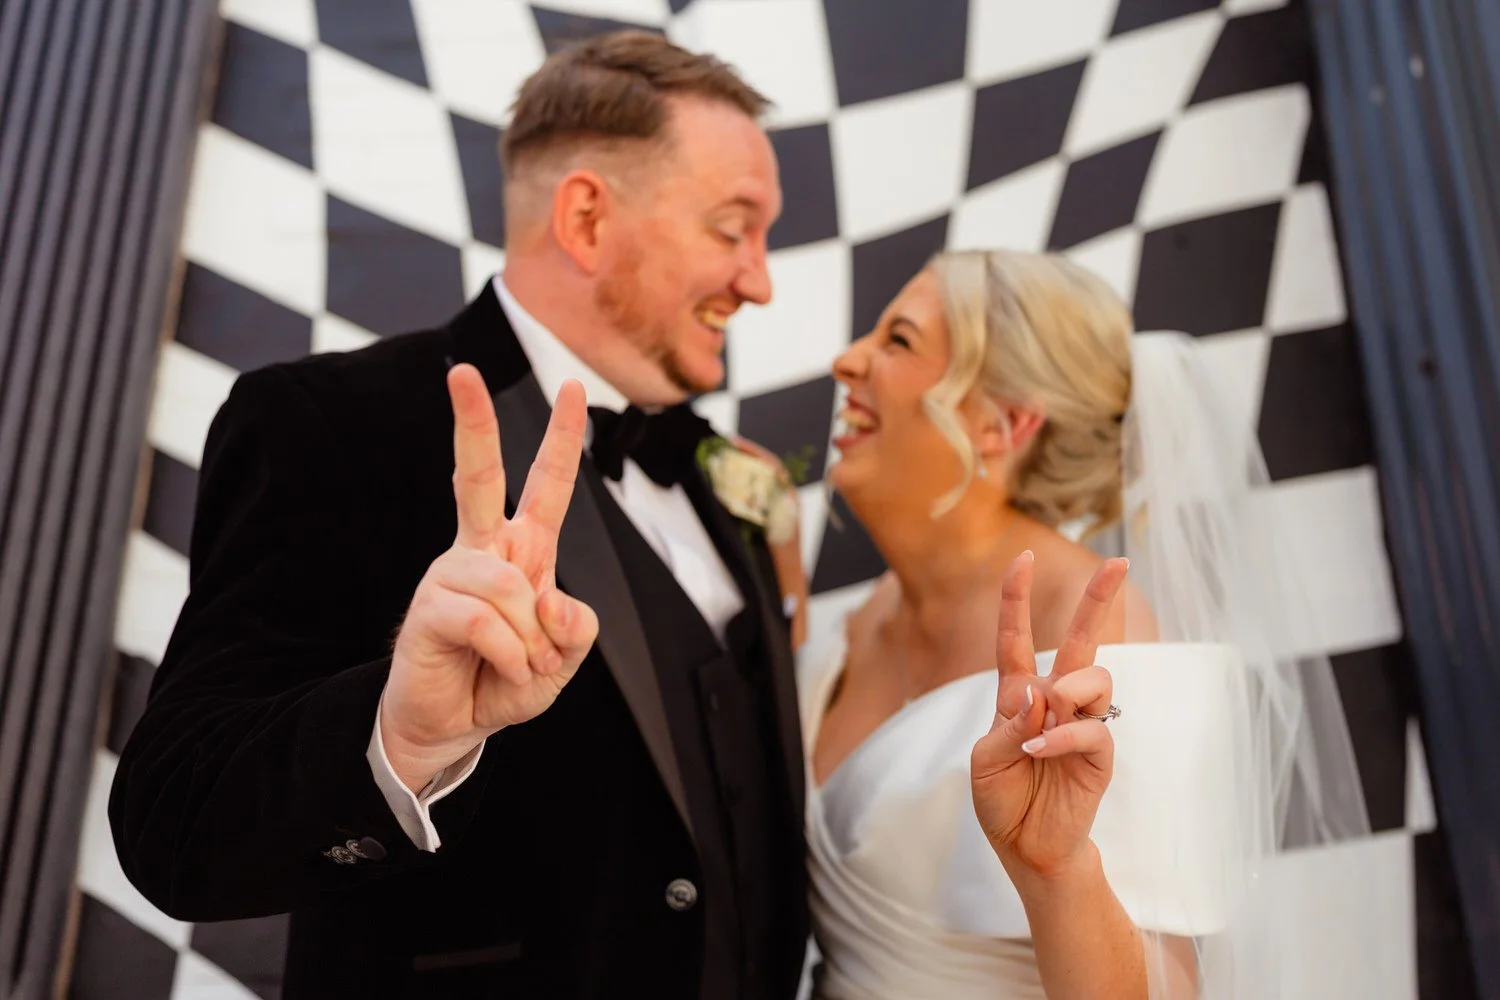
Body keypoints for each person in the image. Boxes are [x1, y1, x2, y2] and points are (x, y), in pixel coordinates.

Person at [110, 32, 813, 999]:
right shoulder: (331, 425)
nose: (760, 280)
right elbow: (177, 826)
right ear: (586, 217)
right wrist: (400, 734)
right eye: (734, 228)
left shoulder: (724, 479)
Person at [796, 250, 1370, 998]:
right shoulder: (858, 619)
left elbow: (1166, 988)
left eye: (897, 340)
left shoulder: (1102, 639)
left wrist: (1058, 872)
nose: (847, 360)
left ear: (1005, 422)